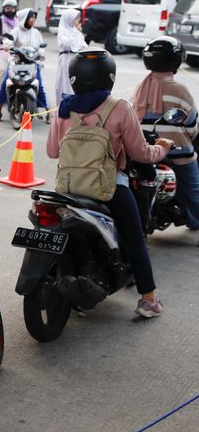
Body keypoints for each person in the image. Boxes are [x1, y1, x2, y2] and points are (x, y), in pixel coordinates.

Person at [47, 49, 173, 318]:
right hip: (109, 187)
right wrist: (161, 149)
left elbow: (52, 152)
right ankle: (148, 299)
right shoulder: (119, 108)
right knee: (136, 237)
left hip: (68, 188)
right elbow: (140, 153)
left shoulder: (64, 108)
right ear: (110, 77)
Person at [131, 36, 199, 230]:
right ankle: (195, 219)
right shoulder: (179, 90)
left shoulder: (140, 88)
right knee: (193, 187)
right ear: (176, 60)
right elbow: (192, 126)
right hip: (175, 152)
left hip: (145, 148)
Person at [0, 8, 48, 121]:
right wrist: (6, 46)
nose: (33, 19)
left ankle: (47, 110)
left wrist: (42, 54)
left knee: (39, 86)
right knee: (5, 84)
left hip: (32, 63)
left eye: (35, 17)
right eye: (31, 17)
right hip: (16, 62)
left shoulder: (36, 32)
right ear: (25, 18)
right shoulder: (16, 30)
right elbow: (9, 41)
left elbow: (40, 47)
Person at [55, 9, 86, 107]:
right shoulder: (62, 31)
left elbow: (83, 45)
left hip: (76, 59)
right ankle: (63, 106)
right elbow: (66, 44)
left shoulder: (76, 31)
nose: (77, 20)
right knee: (65, 83)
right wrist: (75, 34)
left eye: (78, 18)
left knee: (75, 83)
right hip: (66, 58)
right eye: (75, 18)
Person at [0, 0, 17, 102]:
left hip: (14, 51)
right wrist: (3, 39)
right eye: (7, 8)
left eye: (11, 8)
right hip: (0, 50)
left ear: (15, 9)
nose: (9, 10)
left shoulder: (18, 21)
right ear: (3, 9)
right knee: (2, 69)